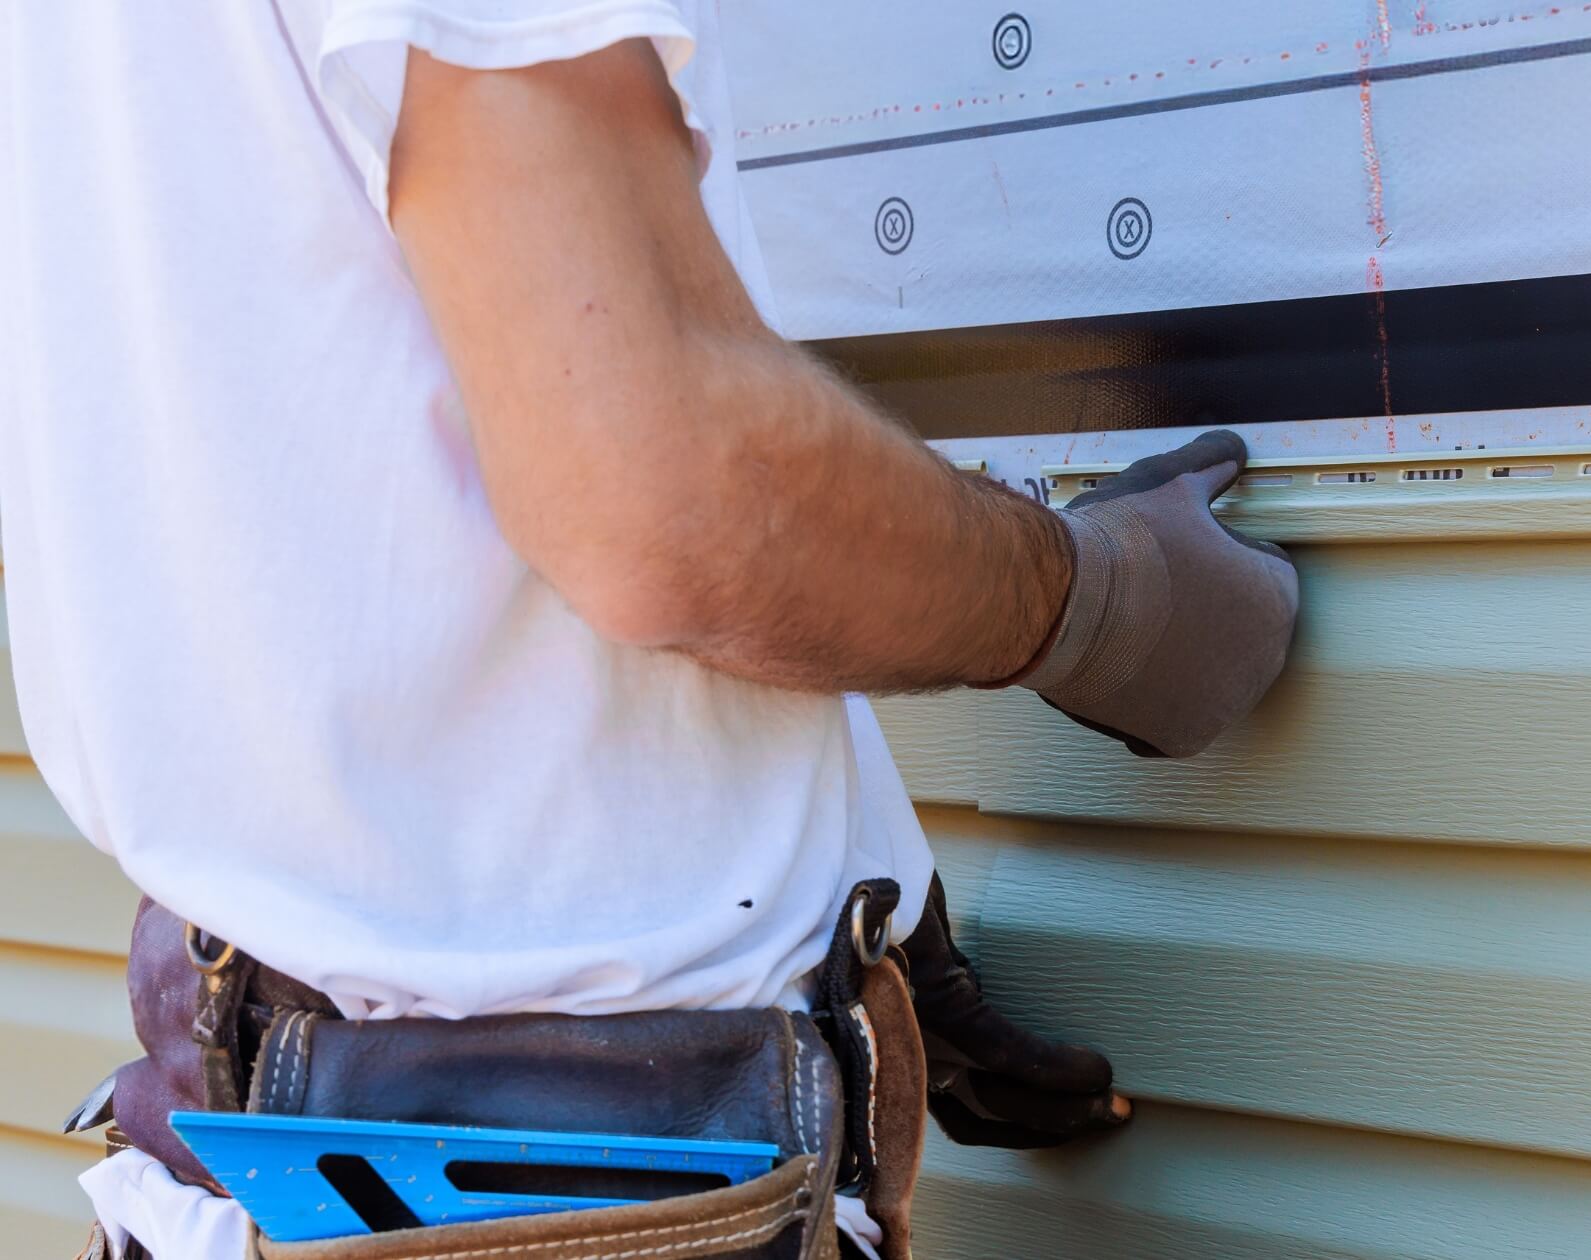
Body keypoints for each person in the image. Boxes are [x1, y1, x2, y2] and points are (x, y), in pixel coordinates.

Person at [2, 4, 1300, 1257]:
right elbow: (667, 496)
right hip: (573, 1208)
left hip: (234, 1169)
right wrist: (1096, 605)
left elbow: (326, 475)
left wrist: (847, 869)